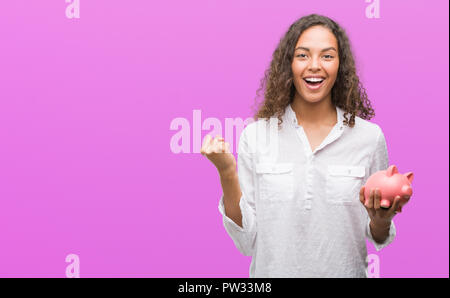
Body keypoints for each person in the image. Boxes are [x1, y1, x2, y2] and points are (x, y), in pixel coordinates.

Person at [200, 14, 411, 278]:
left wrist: (381, 220)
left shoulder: (369, 138)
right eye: (302, 55)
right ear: (288, 64)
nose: (314, 66)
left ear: (340, 65)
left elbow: (377, 236)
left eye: (327, 56)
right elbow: (246, 241)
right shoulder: (255, 137)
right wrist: (226, 172)